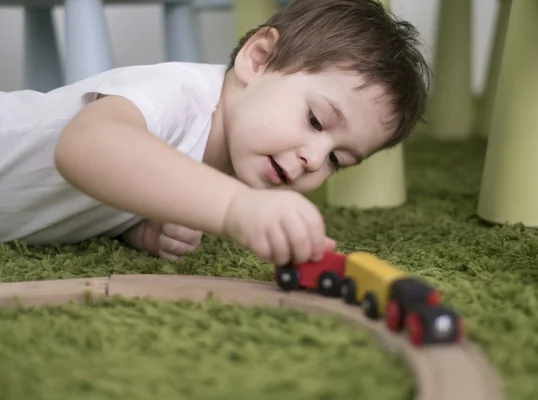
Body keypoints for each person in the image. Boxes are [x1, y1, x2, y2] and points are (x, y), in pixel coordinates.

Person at [0, 0, 429, 266]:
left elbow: (98, 186)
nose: (314, 159)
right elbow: (85, 148)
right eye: (316, 121)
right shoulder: (179, 94)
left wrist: (136, 227)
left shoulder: (225, 162)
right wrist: (235, 209)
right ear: (258, 60)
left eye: (337, 159)